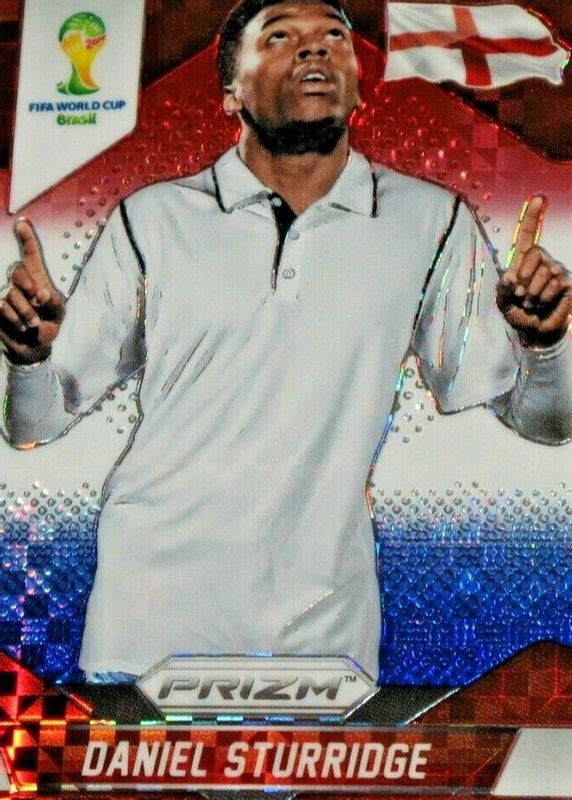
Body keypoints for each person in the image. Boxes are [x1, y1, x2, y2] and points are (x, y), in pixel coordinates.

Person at [0, 0, 571, 680]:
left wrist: (546, 346)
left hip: (325, 639)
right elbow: (33, 425)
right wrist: (28, 358)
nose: (314, 49)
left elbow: (545, 424)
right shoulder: (150, 221)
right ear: (230, 92)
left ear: (358, 88)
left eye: (334, 37)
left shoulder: (430, 222)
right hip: (145, 624)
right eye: (280, 37)